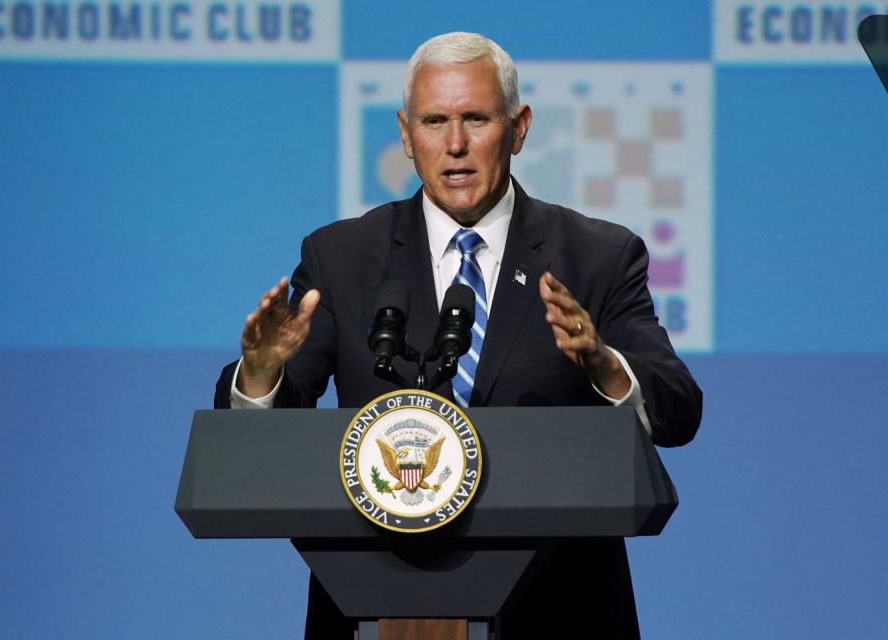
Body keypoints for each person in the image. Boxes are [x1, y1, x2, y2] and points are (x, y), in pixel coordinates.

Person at [216, 32, 702, 639]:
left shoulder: (597, 257)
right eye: (434, 120)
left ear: (519, 128)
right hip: (374, 606)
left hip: (560, 612)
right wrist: (260, 376)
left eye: (476, 118)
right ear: (404, 133)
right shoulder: (342, 257)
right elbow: (269, 435)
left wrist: (605, 366)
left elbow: (679, 411)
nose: (455, 145)